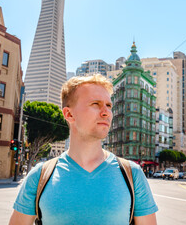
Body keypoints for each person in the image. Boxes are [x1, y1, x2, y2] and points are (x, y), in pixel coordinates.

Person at [9, 74, 158, 225]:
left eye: (109, 105)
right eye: (95, 104)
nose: (106, 112)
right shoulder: (39, 176)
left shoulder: (133, 174)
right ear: (69, 114)